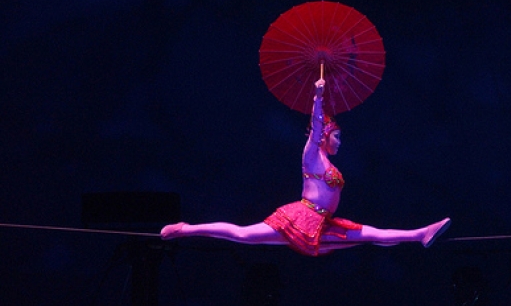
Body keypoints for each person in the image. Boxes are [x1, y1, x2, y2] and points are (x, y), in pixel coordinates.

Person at [161, 79, 451, 256]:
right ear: (325, 136)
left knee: (370, 235)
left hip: (323, 222)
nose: (340, 141)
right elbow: (315, 126)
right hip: (301, 218)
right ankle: (185, 229)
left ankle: (421, 233)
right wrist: (318, 98)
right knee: (243, 235)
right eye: (337, 136)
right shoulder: (312, 154)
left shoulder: (328, 162)